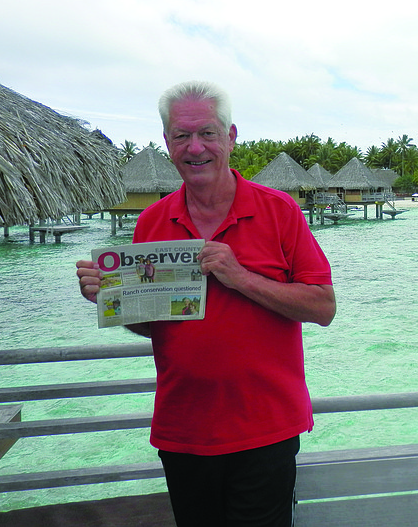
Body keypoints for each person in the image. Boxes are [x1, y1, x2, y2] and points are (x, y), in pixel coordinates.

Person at [76, 81, 335, 527]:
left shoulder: (280, 211)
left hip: (266, 427)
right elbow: (155, 326)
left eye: (208, 133)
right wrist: (114, 300)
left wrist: (241, 278)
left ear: (231, 138)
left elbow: (323, 307)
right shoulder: (152, 221)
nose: (195, 147)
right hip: (184, 430)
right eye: (182, 135)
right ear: (167, 144)